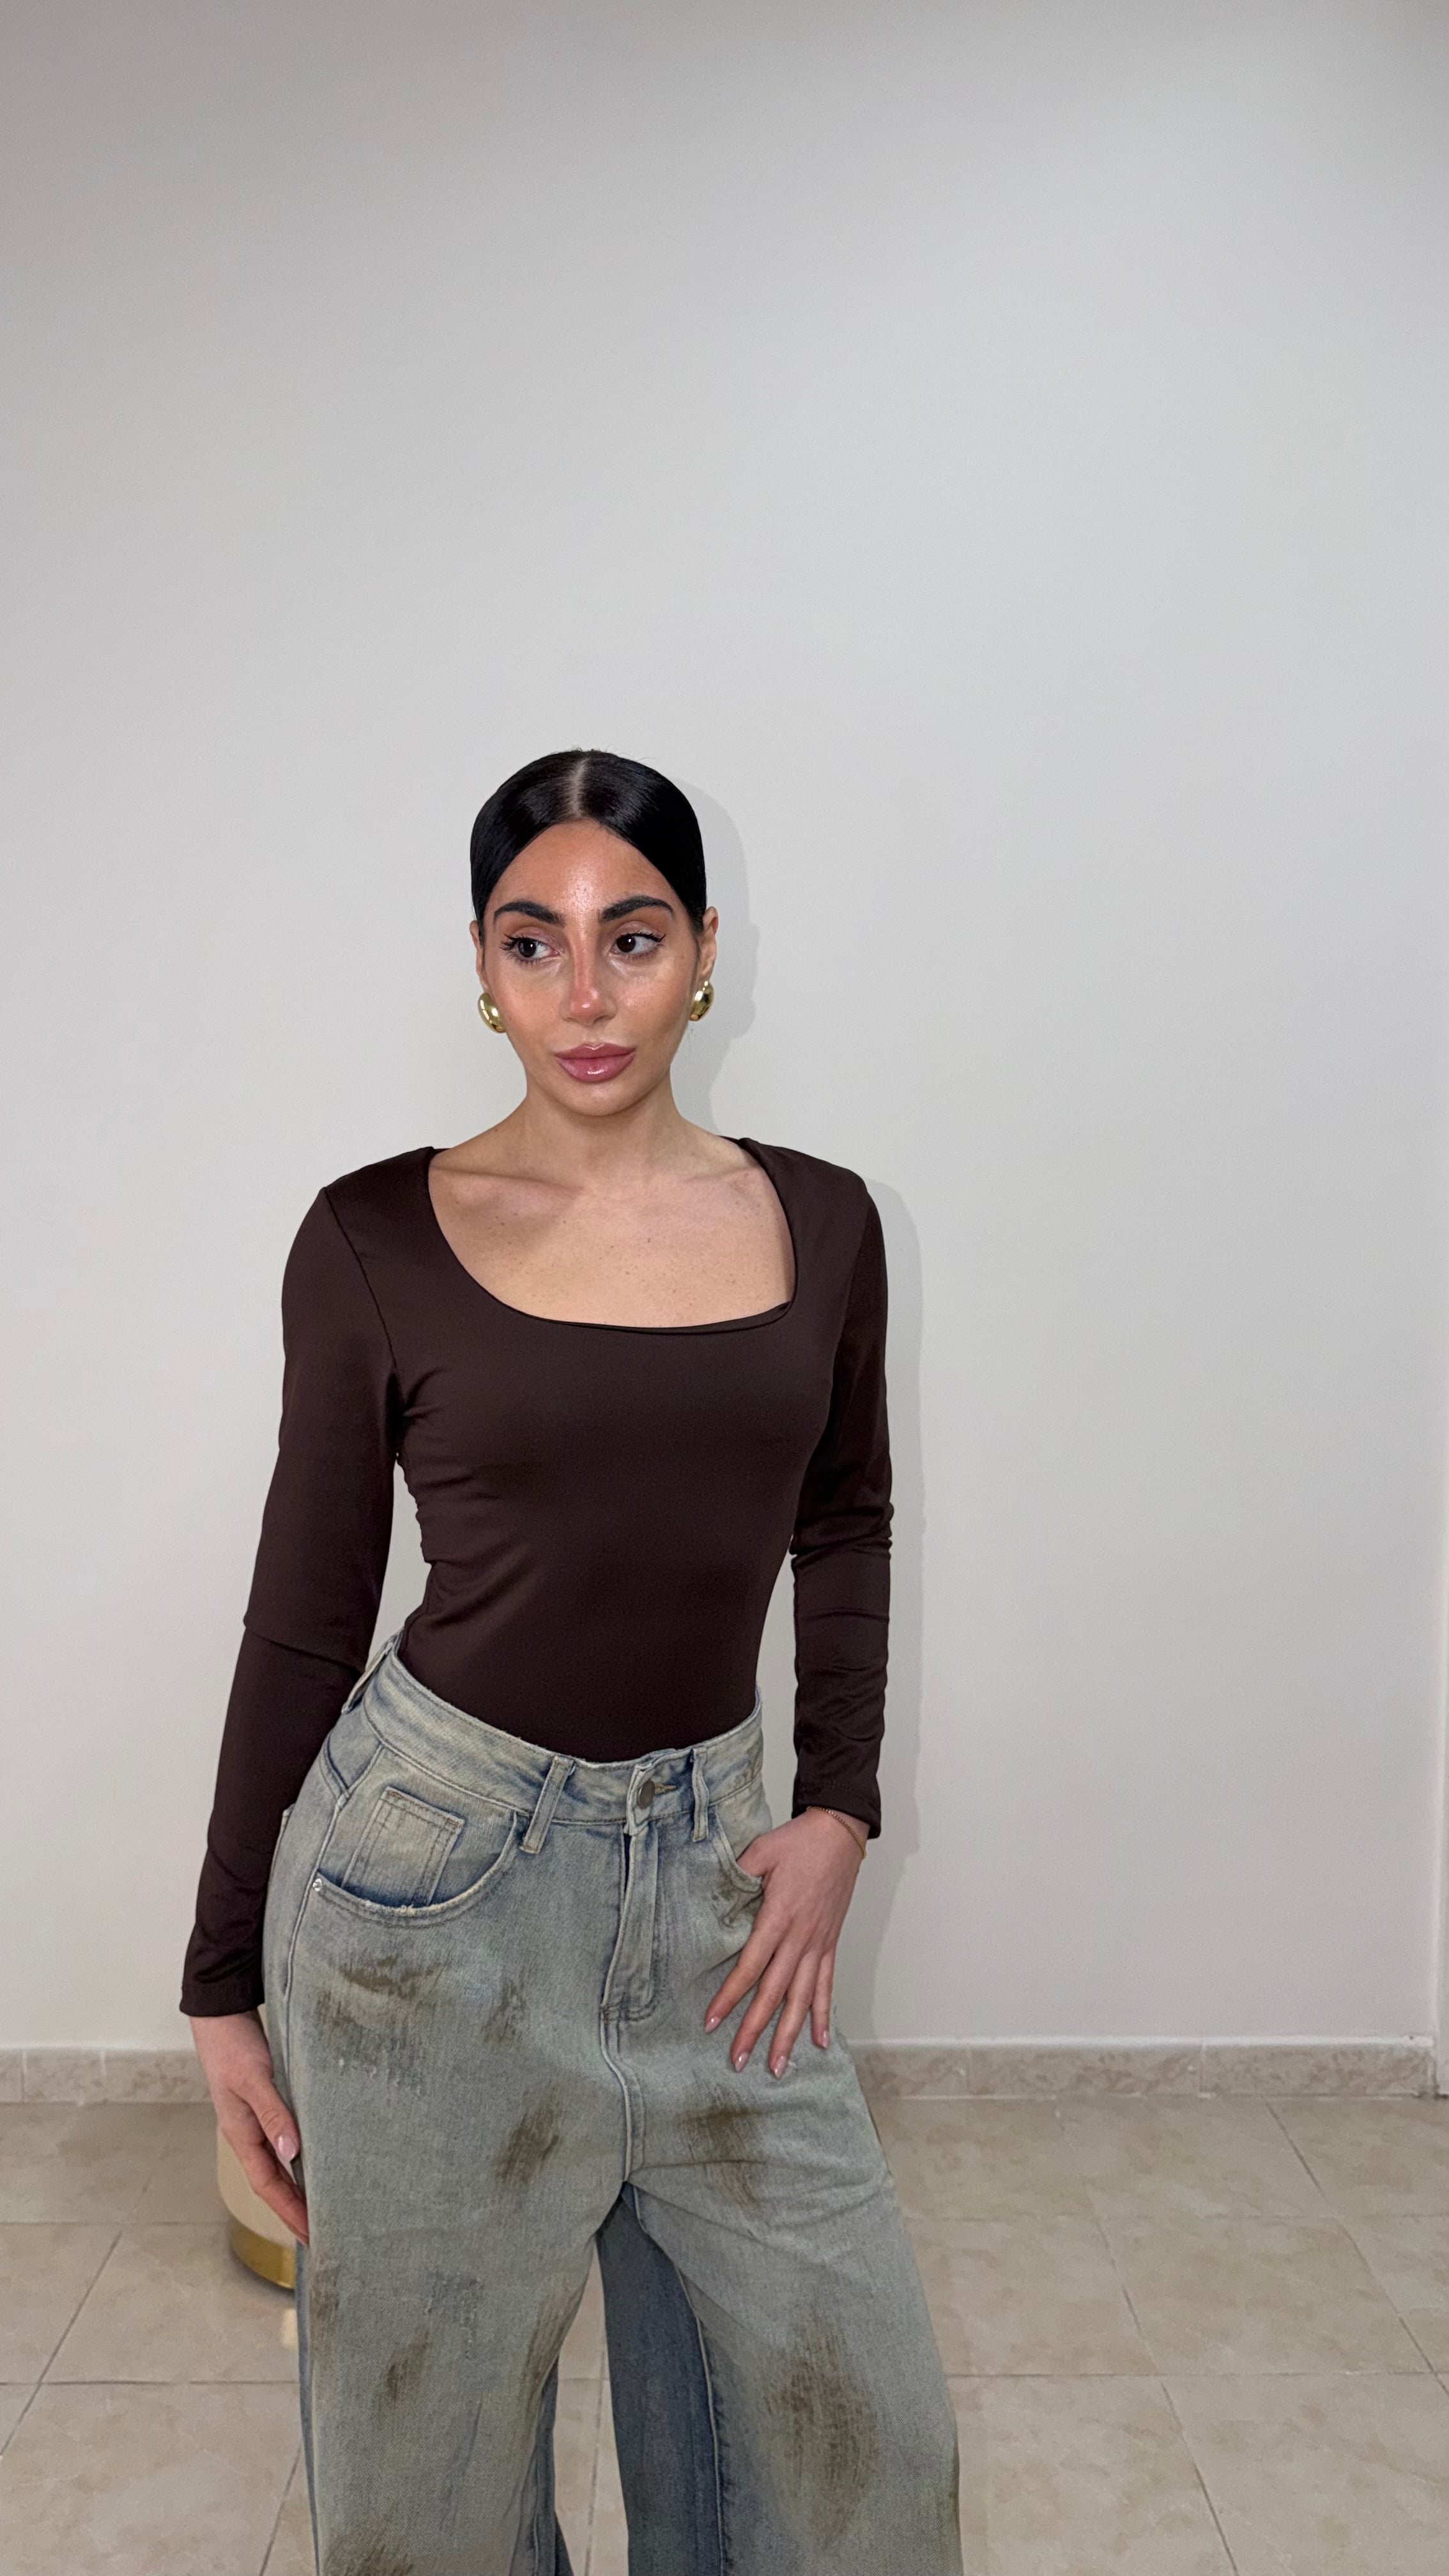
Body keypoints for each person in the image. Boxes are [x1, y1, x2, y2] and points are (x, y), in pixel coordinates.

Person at [181, 748, 962, 2574]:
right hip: (428, 1897)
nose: (586, 994)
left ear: (705, 954)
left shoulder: (826, 1220)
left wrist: (840, 1808)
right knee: (431, 2496)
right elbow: (305, 1614)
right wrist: (221, 1981)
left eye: (633, 937)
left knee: (863, 2462)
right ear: (482, 965)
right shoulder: (373, 1235)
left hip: (720, 1886)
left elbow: (846, 1517)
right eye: (534, 943)